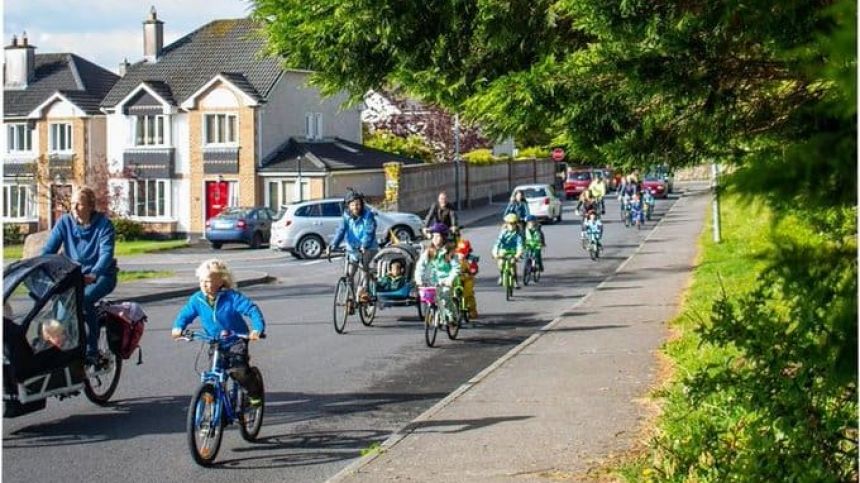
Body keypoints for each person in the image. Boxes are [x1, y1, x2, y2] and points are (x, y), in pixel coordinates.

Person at [171, 259, 265, 406]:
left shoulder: (232, 297)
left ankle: (254, 393)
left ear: (221, 281)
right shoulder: (197, 299)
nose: (204, 284)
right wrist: (178, 327)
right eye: (201, 281)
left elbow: (252, 310)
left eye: (208, 281)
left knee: (239, 371)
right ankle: (210, 415)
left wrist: (257, 329)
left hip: (236, 339)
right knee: (213, 375)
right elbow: (186, 314)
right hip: (214, 340)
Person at [42, 186, 117, 365]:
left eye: (79, 204)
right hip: (74, 276)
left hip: (101, 276)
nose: (74, 208)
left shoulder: (104, 225)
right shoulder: (65, 222)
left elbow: (106, 253)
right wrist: (41, 266)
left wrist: (94, 273)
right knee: (59, 308)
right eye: (73, 204)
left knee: (85, 299)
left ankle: (92, 351)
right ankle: (61, 350)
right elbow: (48, 250)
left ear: (90, 206)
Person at [328, 190, 378, 302]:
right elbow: (341, 231)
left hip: (368, 247)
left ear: (361, 204)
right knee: (349, 274)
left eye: (358, 204)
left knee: (363, 267)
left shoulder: (368, 215)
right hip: (352, 249)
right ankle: (351, 297)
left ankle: (363, 292)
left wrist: (364, 245)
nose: (355, 207)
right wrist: (333, 245)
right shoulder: (346, 216)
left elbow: (369, 232)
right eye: (353, 204)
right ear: (348, 205)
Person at [415, 223, 461, 318]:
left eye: (438, 236)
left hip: (446, 281)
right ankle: (434, 314)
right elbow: (420, 266)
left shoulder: (450, 252)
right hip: (433, 281)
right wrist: (419, 280)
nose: (435, 239)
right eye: (433, 236)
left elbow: (456, 268)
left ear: (444, 237)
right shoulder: (429, 251)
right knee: (427, 296)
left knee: (445, 297)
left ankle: (452, 316)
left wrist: (449, 280)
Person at [492, 213, 525, 289]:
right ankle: (501, 276)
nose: (512, 225)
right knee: (501, 263)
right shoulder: (503, 232)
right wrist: (495, 253)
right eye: (510, 223)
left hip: (513, 251)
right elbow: (497, 243)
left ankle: (515, 281)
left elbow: (520, 245)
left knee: (513, 264)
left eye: (513, 223)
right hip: (503, 250)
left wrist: (518, 254)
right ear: (506, 223)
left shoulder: (518, 234)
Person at [454, 239, 480, 320]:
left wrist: (472, 271)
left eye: (463, 252)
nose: (461, 254)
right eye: (459, 252)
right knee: (451, 291)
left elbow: (474, 268)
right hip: (456, 278)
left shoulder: (470, 259)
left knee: (468, 294)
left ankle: (472, 310)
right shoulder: (453, 258)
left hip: (467, 279)